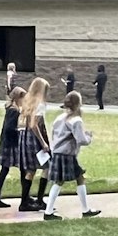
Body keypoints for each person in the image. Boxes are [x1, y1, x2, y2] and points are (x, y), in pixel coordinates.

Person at [43, 91, 101, 220]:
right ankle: (50, 212)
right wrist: (89, 137)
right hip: (67, 154)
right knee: (69, 180)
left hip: (57, 152)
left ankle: (49, 211)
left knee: (70, 179)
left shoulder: (59, 118)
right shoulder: (76, 120)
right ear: (78, 104)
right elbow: (81, 139)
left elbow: (54, 135)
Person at [16, 77, 51, 211]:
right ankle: (39, 199)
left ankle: (24, 201)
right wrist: (43, 143)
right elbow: (34, 125)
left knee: (30, 170)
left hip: (25, 137)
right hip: (34, 138)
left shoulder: (27, 101)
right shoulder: (40, 104)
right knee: (47, 166)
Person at [0, 87, 24, 208]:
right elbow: (10, 128)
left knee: (5, 170)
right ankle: (24, 197)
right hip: (11, 144)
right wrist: (19, 131)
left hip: (7, 143)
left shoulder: (10, 109)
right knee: (22, 169)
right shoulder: (14, 111)